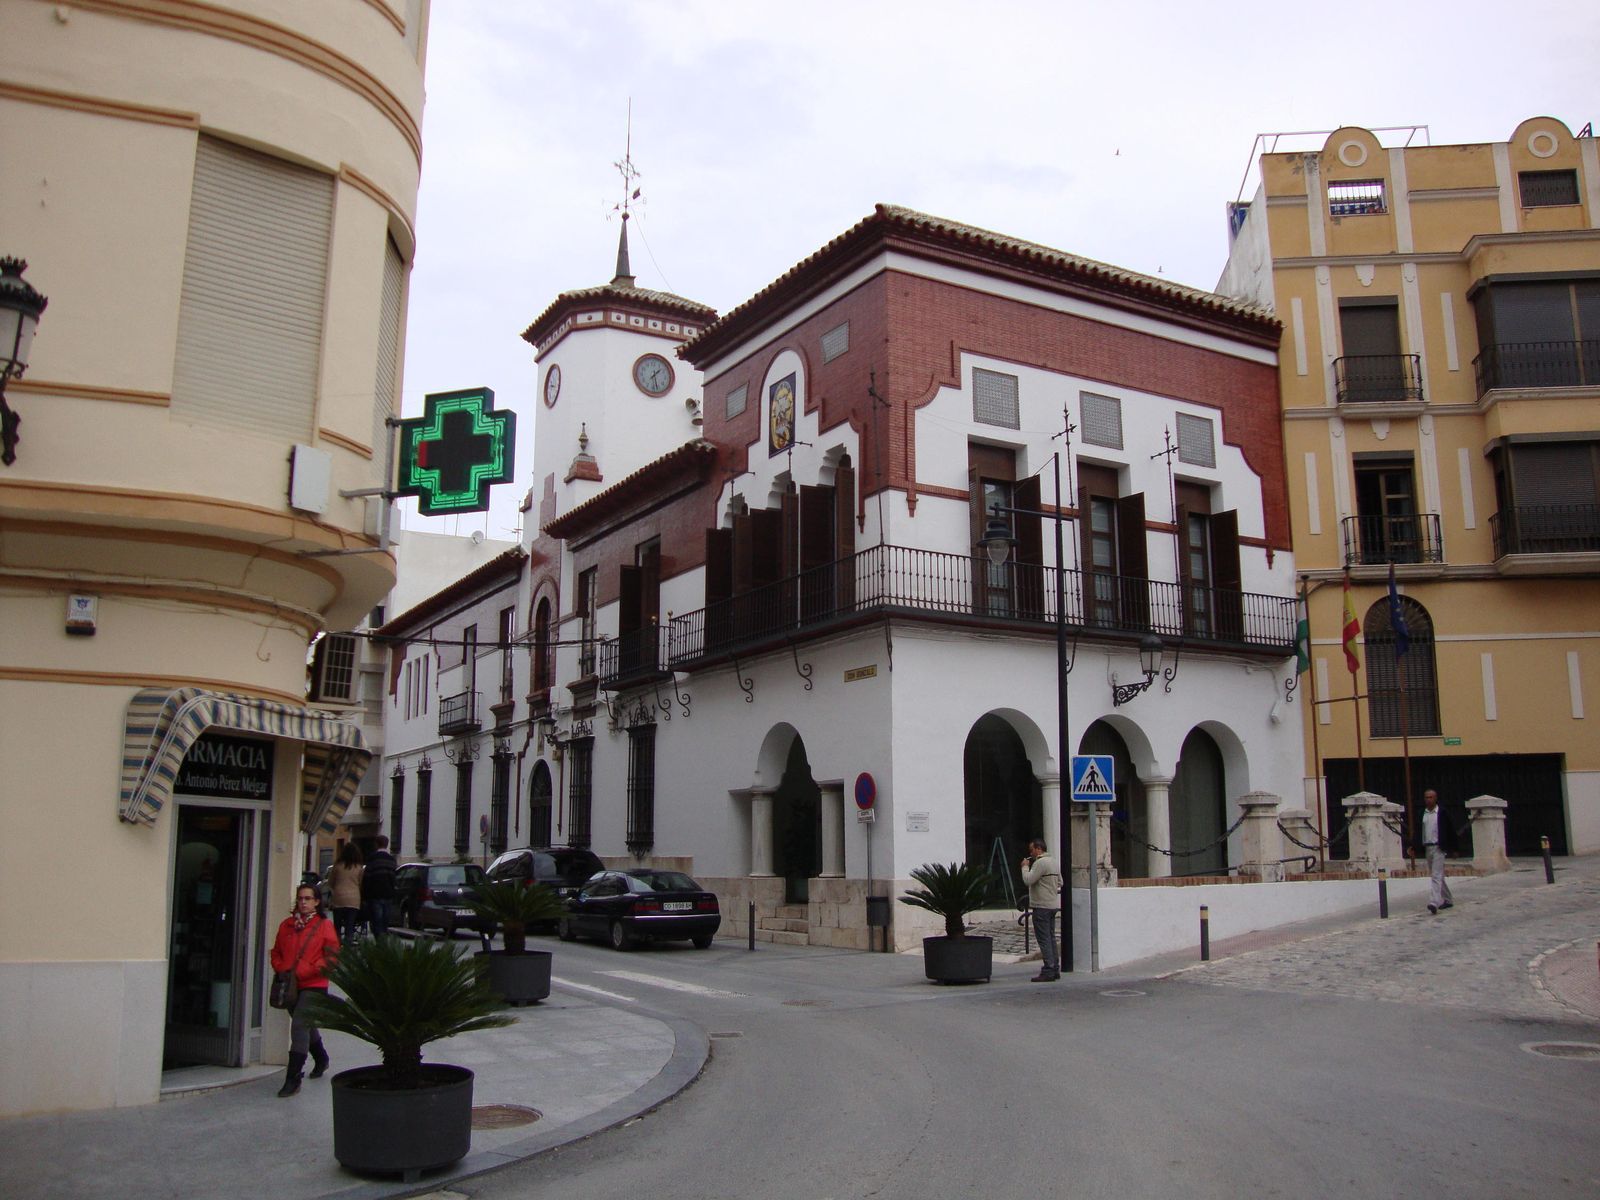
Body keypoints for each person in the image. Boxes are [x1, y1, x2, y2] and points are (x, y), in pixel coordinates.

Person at [268, 883, 338, 1097]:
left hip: (314, 984)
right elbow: (276, 952)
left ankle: (293, 1078)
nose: (304, 902)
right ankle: (322, 1058)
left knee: (299, 1026)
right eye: (300, 898)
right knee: (305, 1025)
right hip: (290, 985)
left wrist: (307, 970)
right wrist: (282, 969)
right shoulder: (287, 926)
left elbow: (331, 957)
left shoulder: (324, 926)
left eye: (308, 898)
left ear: (317, 902)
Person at [1021, 838, 1063, 981]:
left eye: (1031, 850)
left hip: (1041, 906)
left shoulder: (1040, 863)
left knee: (1044, 939)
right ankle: (1055, 967)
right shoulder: (1054, 862)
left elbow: (1028, 880)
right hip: (1052, 905)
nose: (1030, 853)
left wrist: (1025, 867)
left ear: (1039, 849)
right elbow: (1060, 882)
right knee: (1051, 938)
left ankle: (1048, 969)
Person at [1420, 789, 1455, 915]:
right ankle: (1448, 899)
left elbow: (1450, 830)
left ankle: (1434, 902)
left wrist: (1453, 848)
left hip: (1439, 847)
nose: (1428, 800)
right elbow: (1420, 830)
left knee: (1435, 874)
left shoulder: (1442, 813)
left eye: (1431, 797)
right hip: (1427, 847)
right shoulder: (1423, 814)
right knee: (1437, 874)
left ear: (1435, 798)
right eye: (1426, 797)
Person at [326, 843, 364, 943]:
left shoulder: (337, 866)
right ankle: (348, 947)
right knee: (350, 925)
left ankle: (336, 946)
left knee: (337, 925)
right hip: (354, 899)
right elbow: (361, 883)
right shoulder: (359, 867)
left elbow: (330, 882)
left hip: (338, 898)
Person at [361, 834, 398, 937]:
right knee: (385, 919)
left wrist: (364, 895)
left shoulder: (372, 858)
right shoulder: (391, 859)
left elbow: (367, 877)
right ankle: (383, 938)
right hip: (388, 894)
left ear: (376, 844)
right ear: (387, 844)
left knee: (377, 919)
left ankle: (379, 940)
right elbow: (394, 878)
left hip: (375, 894)